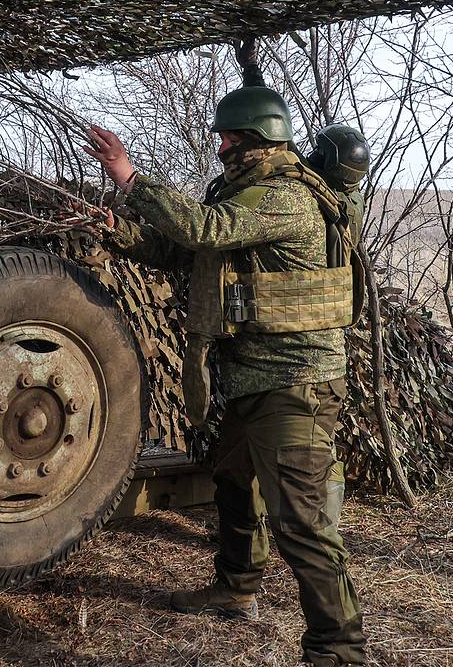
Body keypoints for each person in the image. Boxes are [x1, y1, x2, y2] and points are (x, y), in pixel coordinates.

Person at [83, 87, 367, 666]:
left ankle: (338, 650)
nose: (219, 145)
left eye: (227, 136)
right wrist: (118, 228)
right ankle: (236, 588)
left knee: (302, 522)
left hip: (297, 384)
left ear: (253, 139)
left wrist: (132, 180)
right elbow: (190, 254)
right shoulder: (248, 195)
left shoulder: (286, 198)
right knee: (233, 481)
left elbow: (205, 230)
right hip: (250, 379)